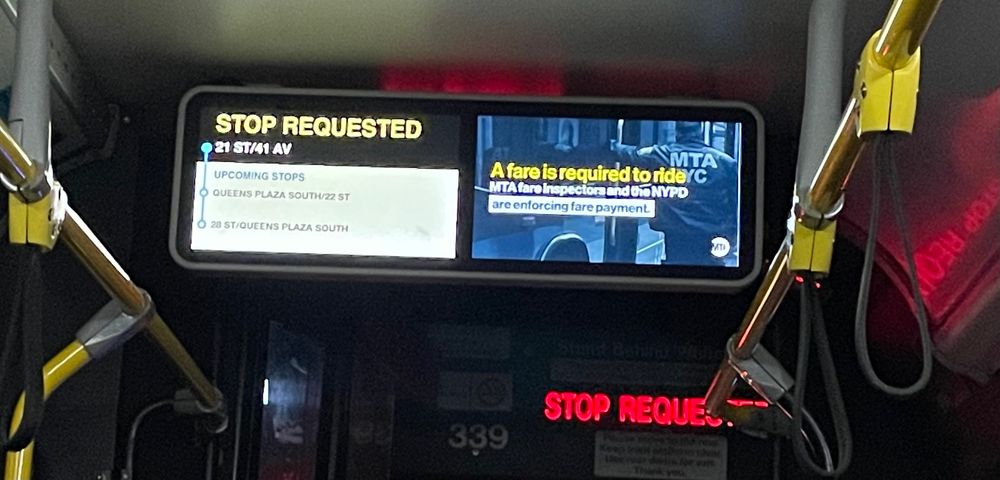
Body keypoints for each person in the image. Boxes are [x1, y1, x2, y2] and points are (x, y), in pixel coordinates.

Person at [611, 121, 739, 266]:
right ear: (700, 132)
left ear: (677, 134)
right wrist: (731, 234)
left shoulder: (662, 154)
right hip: (710, 235)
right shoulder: (725, 162)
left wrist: (611, 143)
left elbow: (627, 153)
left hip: (674, 234)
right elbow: (735, 204)